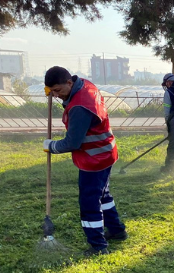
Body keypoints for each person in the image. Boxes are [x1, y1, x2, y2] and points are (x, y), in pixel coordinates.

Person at [43, 66, 127, 256]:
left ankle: (98, 246)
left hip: (94, 159)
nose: (55, 95)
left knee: (89, 202)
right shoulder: (85, 85)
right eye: (52, 91)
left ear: (69, 83)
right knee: (103, 195)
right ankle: (117, 230)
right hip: (105, 151)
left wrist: (51, 146)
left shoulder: (80, 107)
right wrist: (54, 90)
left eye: (58, 90)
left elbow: (72, 143)